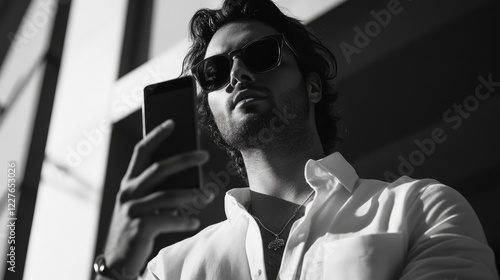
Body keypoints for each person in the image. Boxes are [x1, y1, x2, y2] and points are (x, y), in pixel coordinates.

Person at [95, 0, 499, 279]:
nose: (237, 75)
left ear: (312, 88)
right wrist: (113, 268)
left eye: (259, 55)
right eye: (214, 72)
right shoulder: (170, 269)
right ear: (212, 115)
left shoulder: (420, 210)